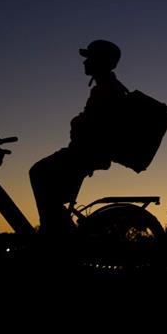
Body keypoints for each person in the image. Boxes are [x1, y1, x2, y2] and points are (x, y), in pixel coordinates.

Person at [29, 39, 127, 236]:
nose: (84, 62)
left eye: (89, 58)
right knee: (48, 185)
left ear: (101, 61)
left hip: (86, 154)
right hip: (84, 152)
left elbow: (95, 125)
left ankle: (55, 235)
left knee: (39, 173)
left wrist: (77, 122)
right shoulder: (105, 87)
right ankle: (58, 232)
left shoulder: (107, 89)